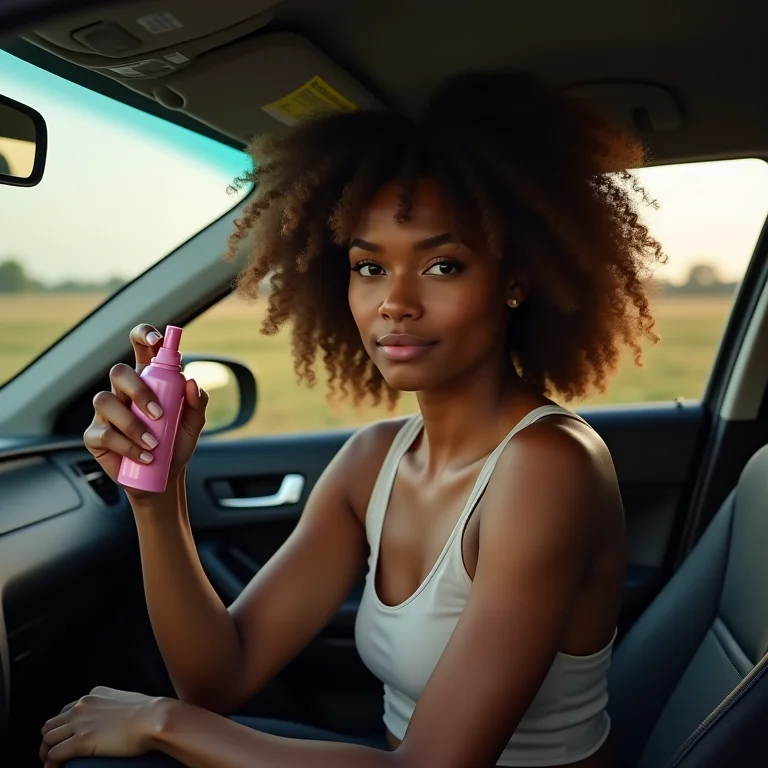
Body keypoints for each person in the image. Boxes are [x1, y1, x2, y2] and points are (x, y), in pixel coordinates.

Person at [41, 70, 664, 768]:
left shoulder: (549, 468)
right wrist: (156, 502)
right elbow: (219, 676)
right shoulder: (374, 460)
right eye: (370, 268)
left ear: (514, 280)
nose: (394, 302)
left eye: (444, 266)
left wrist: (162, 724)